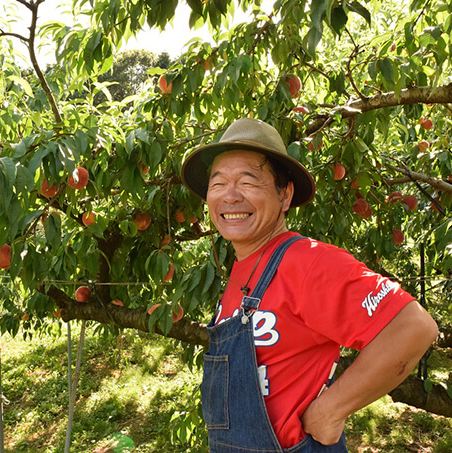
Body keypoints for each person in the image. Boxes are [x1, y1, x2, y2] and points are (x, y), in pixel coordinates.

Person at [180, 118, 438, 453]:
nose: (230, 196)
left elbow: (413, 327)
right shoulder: (244, 269)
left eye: (248, 181)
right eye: (218, 184)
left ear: (284, 195)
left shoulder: (307, 263)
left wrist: (331, 411)